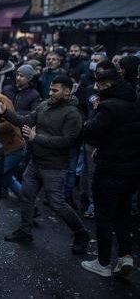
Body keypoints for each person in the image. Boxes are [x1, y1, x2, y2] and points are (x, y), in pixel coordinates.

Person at [0, 75, 90, 254]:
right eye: (50, 89)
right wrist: (5, 113)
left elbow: (67, 141)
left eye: (55, 90)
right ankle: (25, 230)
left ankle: (81, 233)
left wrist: (36, 137)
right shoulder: (44, 105)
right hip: (36, 162)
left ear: (67, 91)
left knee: (57, 204)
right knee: (26, 196)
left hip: (54, 166)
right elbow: (25, 121)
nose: (50, 93)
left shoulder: (73, 114)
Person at [80, 69, 140, 278]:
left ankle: (103, 262)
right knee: (122, 213)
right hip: (132, 171)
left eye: (100, 86)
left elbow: (89, 131)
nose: (98, 89)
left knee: (104, 215)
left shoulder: (108, 107)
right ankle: (125, 256)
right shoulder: (135, 102)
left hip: (109, 169)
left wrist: (96, 111)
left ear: (107, 86)